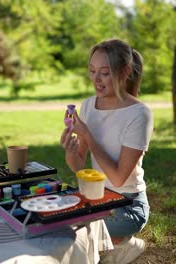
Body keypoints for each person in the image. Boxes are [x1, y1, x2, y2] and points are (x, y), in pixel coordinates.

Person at [60, 39, 153, 264]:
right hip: (96, 196)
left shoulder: (139, 114)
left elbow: (119, 179)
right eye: (92, 71)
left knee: (68, 232)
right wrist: (71, 151)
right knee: (54, 222)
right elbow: (80, 166)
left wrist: (89, 137)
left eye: (104, 73)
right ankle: (114, 244)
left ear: (125, 72)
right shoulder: (88, 105)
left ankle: (124, 243)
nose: (96, 79)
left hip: (127, 205)